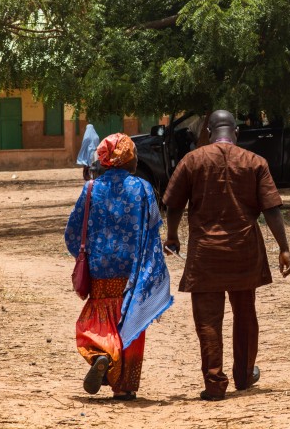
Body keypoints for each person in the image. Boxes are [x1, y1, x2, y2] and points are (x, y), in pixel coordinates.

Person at [162, 110, 290, 401]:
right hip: (244, 251)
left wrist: (172, 236)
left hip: (205, 254)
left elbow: (173, 204)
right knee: (245, 313)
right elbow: (271, 208)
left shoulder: (192, 160)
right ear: (236, 131)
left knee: (208, 320)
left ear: (208, 132)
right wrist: (283, 248)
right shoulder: (255, 162)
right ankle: (244, 377)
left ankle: (214, 383)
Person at [65, 133, 173, 400]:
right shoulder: (143, 188)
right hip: (133, 272)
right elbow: (153, 226)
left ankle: (102, 355)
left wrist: (88, 254)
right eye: (134, 154)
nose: (137, 159)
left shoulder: (90, 189)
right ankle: (124, 386)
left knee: (100, 319)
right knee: (130, 322)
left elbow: (73, 232)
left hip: (101, 270)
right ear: (125, 158)